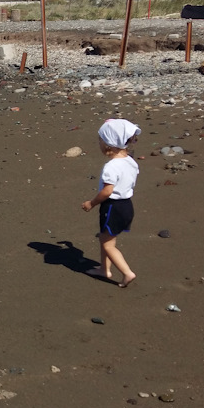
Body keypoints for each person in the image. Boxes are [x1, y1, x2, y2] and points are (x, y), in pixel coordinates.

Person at [81, 118, 140, 288]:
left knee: (107, 243)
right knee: (106, 239)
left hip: (113, 207)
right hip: (127, 205)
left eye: (100, 140)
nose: (99, 143)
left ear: (108, 144)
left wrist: (91, 203)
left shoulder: (111, 167)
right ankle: (104, 269)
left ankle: (127, 272)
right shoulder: (130, 162)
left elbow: (107, 191)